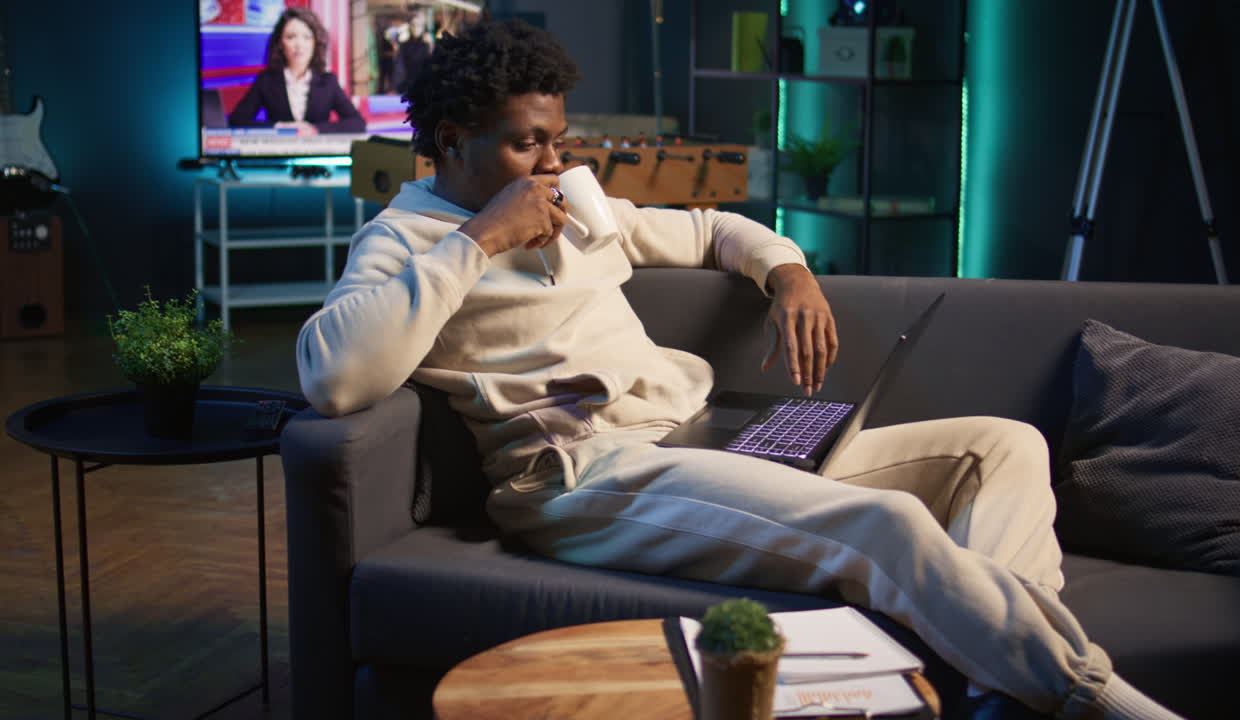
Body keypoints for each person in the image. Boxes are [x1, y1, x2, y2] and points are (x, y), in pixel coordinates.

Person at [295, 19, 1184, 720]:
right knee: (889, 527)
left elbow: (712, 229)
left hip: (691, 439)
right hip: (583, 474)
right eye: (529, 146)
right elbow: (334, 379)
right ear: (452, 140)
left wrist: (788, 272)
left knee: (1004, 446)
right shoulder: (405, 241)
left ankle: (996, 681)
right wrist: (482, 235)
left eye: (559, 141)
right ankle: (1080, 693)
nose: (555, 166)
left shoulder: (578, 199)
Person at [228, 6, 366, 135]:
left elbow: (357, 123)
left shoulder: (328, 82)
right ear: (280, 44)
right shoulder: (266, 80)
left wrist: (315, 129)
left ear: (315, 43)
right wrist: (278, 127)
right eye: (291, 37)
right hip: (279, 155)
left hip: (316, 155)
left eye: (306, 37)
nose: (299, 45)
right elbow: (236, 121)